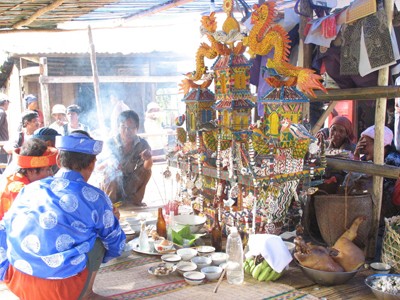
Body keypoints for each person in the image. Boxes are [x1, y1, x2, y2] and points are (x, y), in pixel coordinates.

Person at [0, 131, 126, 300]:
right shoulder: (96, 196)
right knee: (98, 239)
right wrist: (112, 224)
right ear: (92, 164)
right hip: (60, 290)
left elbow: (3, 228)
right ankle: (87, 294)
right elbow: (116, 244)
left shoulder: (29, 188)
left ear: (58, 161)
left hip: (18, 281)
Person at [98, 110, 152, 207]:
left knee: (147, 171)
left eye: (131, 127)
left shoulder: (142, 144)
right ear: (118, 127)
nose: (127, 131)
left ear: (137, 128)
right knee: (111, 171)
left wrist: (148, 158)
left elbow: (147, 167)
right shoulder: (110, 143)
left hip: (129, 183)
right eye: (123, 127)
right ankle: (109, 205)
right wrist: (111, 163)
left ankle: (133, 203)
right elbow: (98, 168)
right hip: (111, 186)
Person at [0, 138, 57, 220]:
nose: (51, 174)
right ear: (31, 171)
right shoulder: (21, 191)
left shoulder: (14, 178)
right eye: (47, 170)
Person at [0, 94, 10, 171]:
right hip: (2, 141)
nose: (8, 105)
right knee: (3, 162)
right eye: (8, 103)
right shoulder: (1, 112)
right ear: (5, 103)